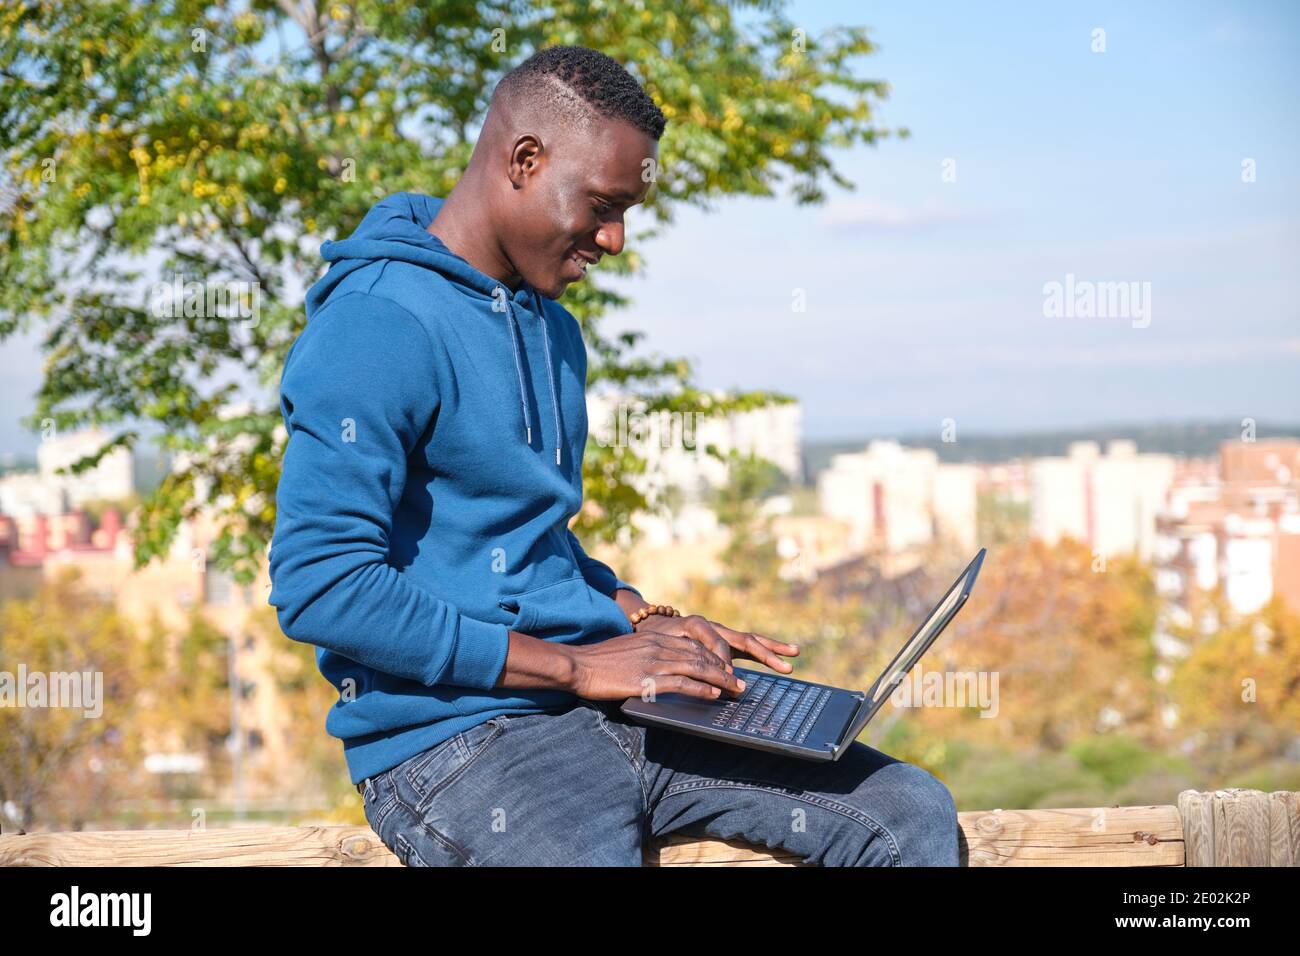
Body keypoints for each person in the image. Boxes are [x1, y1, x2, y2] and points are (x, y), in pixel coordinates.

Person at [268, 44, 958, 866]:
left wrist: (639, 617)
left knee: (906, 811)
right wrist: (574, 668)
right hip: (456, 743)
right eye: (602, 204)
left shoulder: (552, 326)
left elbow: (522, 538)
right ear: (525, 160)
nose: (616, 238)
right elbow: (322, 586)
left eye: (627, 209)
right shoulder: (380, 324)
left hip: (606, 704)